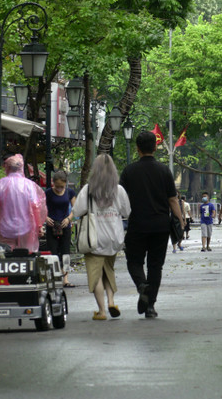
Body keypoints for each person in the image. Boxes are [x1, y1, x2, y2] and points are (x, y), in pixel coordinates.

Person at [120, 131, 185, 318]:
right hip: (160, 226)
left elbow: (121, 198)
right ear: (155, 147)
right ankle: (150, 306)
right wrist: (181, 221)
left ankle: (142, 285)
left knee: (133, 261)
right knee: (156, 266)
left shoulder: (129, 171)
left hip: (137, 225)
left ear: (137, 149)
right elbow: (173, 200)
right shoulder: (164, 170)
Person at [70, 155, 129, 321]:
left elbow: (77, 211)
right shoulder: (119, 190)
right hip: (113, 238)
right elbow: (126, 212)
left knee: (95, 275)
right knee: (108, 271)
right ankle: (111, 302)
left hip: (93, 239)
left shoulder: (88, 190)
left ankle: (102, 311)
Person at [0, 154, 47, 252]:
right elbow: (36, 207)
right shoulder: (29, 184)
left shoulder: (2, 183)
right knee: (25, 257)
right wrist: (39, 226)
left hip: (6, 229)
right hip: (25, 228)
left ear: (7, 167)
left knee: (6, 257)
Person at [44, 170, 77, 287]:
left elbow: (75, 208)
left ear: (65, 184)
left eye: (61, 186)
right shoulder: (48, 193)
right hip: (51, 225)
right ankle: (54, 277)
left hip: (65, 226)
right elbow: (40, 207)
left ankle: (65, 278)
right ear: (53, 183)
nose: (59, 188)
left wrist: (69, 219)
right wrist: (45, 217)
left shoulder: (69, 192)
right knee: (53, 253)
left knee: (66, 253)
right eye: (57, 186)